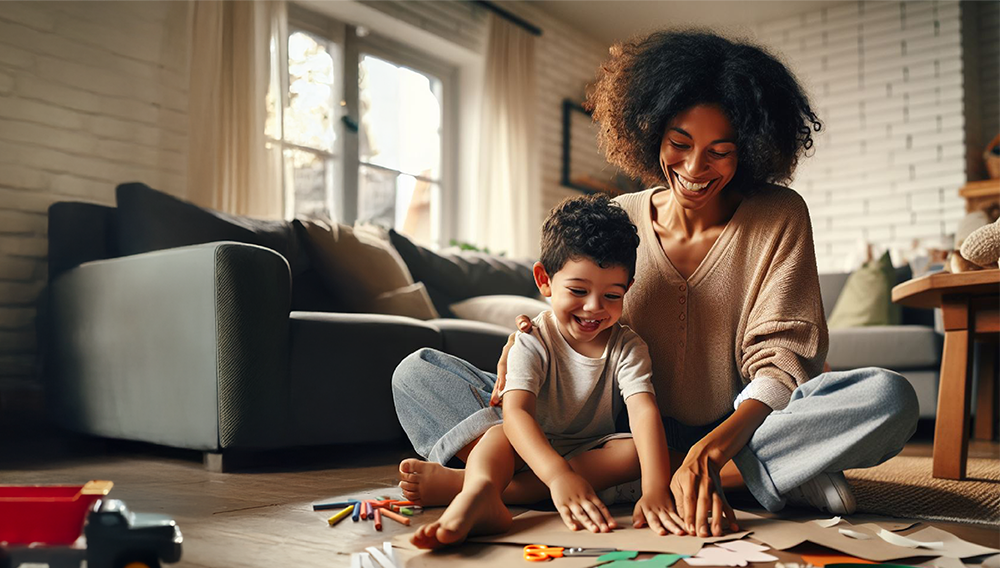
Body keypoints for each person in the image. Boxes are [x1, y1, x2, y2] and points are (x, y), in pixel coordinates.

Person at [393, 29, 919, 539]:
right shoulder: (620, 217)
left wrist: (710, 451)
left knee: (887, 397)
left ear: (753, 149)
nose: (694, 167)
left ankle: (516, 487)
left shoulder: (779, 216)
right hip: (612, 433)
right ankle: (766, 478)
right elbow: (574, 315)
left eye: (721, 150)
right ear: (650, 134)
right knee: (419, 373)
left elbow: (784, 356)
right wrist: (529, 341)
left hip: (731, 430)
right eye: (680, 143)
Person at [409, 195, 682, 549]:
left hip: (586, 451)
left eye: (612, 295)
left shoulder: (628, 347)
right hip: (526, 445)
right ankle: (478, 492)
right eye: (578, 291)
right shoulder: (532, 339)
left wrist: (655, 488)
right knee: (495, 428)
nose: (594, 308)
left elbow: (643, 411)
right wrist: (557, 476)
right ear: (544, 280)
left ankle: (478, 485)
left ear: (628, 288)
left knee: (633, 453)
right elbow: (517, 413)